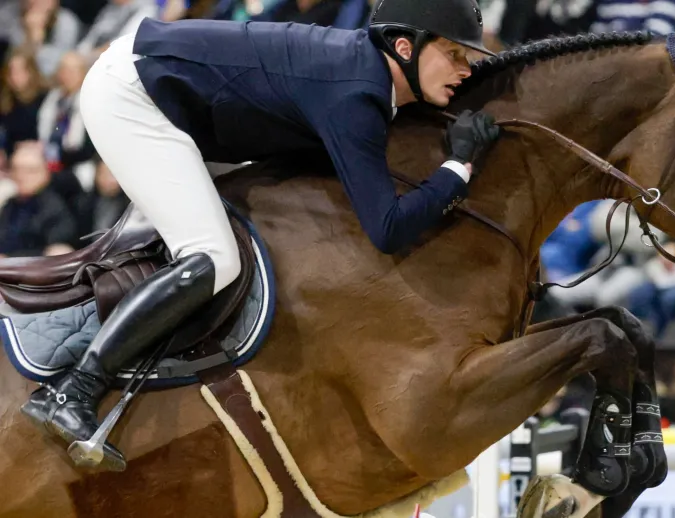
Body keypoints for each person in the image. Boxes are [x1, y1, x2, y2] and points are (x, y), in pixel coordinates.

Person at [20, 0, 503, 471]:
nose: (465, 69)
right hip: (134, 96)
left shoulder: (365, 75)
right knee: (215, 257)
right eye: (454, 54)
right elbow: (389, 228)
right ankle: (74, 389)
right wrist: (458, 166)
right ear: (404, 47)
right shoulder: (355, 93)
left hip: (167, 88)